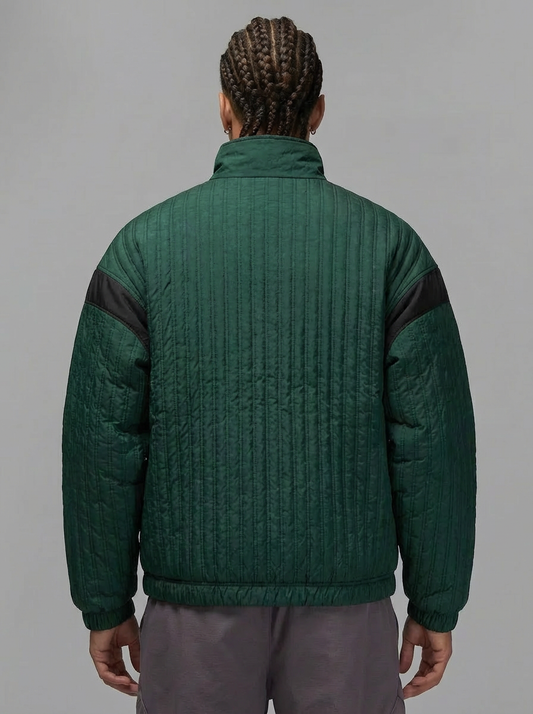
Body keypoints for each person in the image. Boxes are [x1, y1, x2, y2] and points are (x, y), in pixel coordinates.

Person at [61, 15, 477, 714]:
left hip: (192, 609)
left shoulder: (140, 250)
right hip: (347, 607)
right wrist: (436, 602)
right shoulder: (390, 248)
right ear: (317, 112)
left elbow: (100, 444)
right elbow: (434, 443)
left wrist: (103, 601)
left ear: (224, 106)